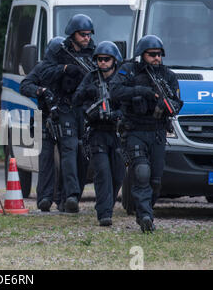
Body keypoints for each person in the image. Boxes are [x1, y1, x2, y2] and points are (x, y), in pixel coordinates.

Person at [110, 35, 183, 232]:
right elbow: (114, 91)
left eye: (159, 55)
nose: (156, 58)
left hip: (157, 132)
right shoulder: (129, 70)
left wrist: (168, 105)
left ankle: (146, 209)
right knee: (142, 173)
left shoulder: (167, 76)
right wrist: (141, 91)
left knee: (156, 181)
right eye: (152, 55)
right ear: (142, 55)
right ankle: (144, 216)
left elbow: (177, 102)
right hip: (135, 130)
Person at [40, 14, 96, 213]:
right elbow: (42, 73)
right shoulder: (59, 52)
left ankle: (72, 194)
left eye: (89, 34)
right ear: (73, 34)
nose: (87, 38)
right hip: (65, 108)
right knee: (69, 150)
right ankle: (69, 196)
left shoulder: (95, 54)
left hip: (87, 110)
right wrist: (64, 69)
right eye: (83, 35)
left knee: (84, 155)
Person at [72, 41, 125, 226]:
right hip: (97, 133)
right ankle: (104, 213)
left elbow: (130, 102)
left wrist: (118, 114)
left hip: (117, 133)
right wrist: (91, 93)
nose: (102, 62)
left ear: (114, 60)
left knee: (118, 174)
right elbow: (77, 99)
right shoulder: (90, 78)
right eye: (99, 59)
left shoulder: (121, 79)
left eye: (106, 59)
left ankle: (107, 204)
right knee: (102, 172)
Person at [19, 37, 65, 212]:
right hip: (46, 117)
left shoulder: (72, 68)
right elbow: (25, 85)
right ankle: (45, 198)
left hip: (68, 117)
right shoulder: (42, 68)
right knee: (45, 160)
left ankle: (63, 198)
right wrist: (40, 91)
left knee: (68, 162)